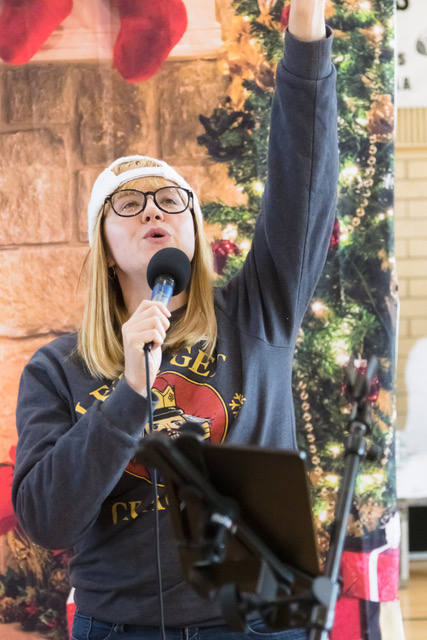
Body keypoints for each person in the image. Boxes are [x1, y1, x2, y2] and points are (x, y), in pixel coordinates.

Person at [12, 1, 338, 639]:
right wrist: (129, 394)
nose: (152, 209)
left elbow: (304, 175)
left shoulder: (258, 310)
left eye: (171, 200)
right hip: (122, 627)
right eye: (127, 203)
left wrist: (306, 24)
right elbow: (46, 520)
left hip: (260, 621)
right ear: (103, 249)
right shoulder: (58, 369)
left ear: (192, 228)